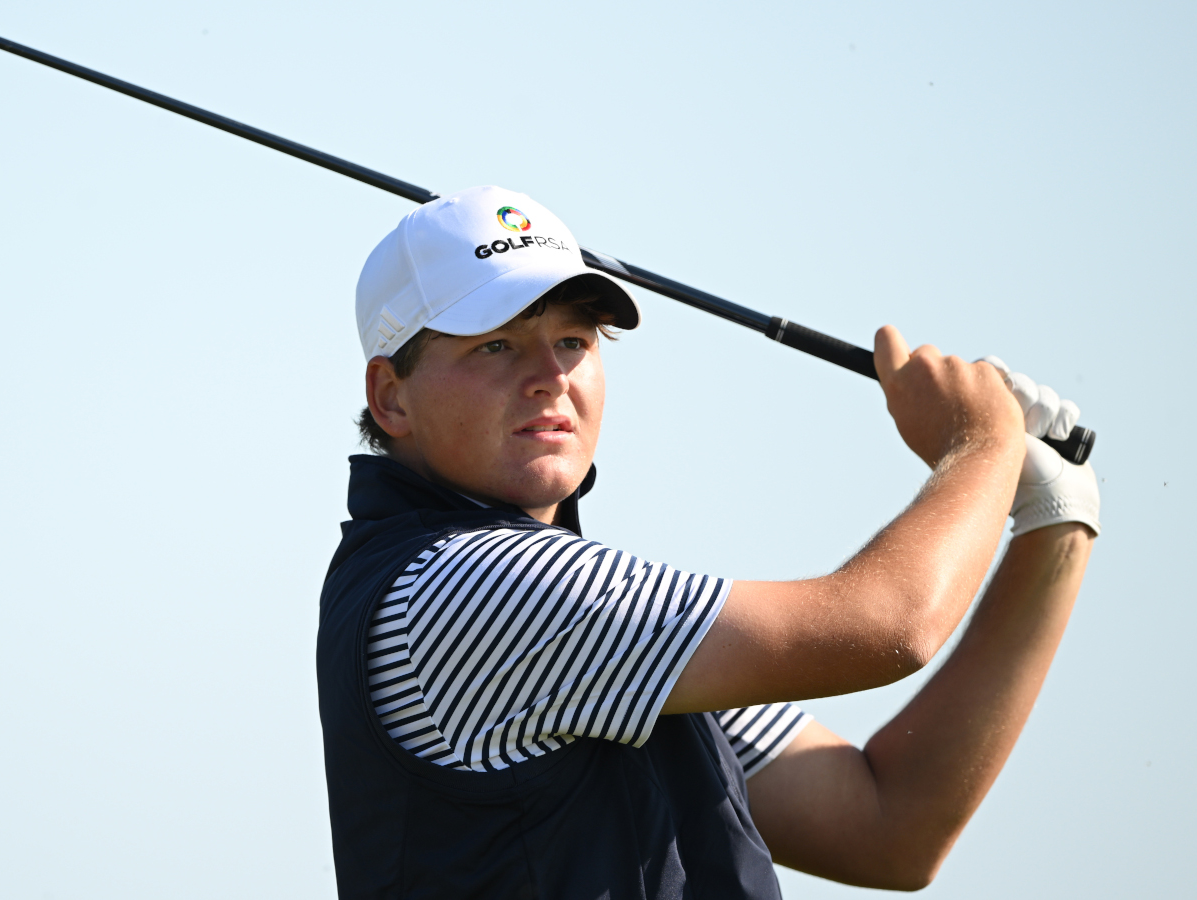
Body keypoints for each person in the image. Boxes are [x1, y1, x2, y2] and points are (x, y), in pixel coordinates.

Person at [317, 186, 1100, 898]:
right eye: (495, 344)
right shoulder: (468, 586)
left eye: (575, 341)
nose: (550, 376)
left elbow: (889, 828)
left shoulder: (594, 637)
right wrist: (982, 442)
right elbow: (892, 625)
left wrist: (1054, 525)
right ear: (391, 397)